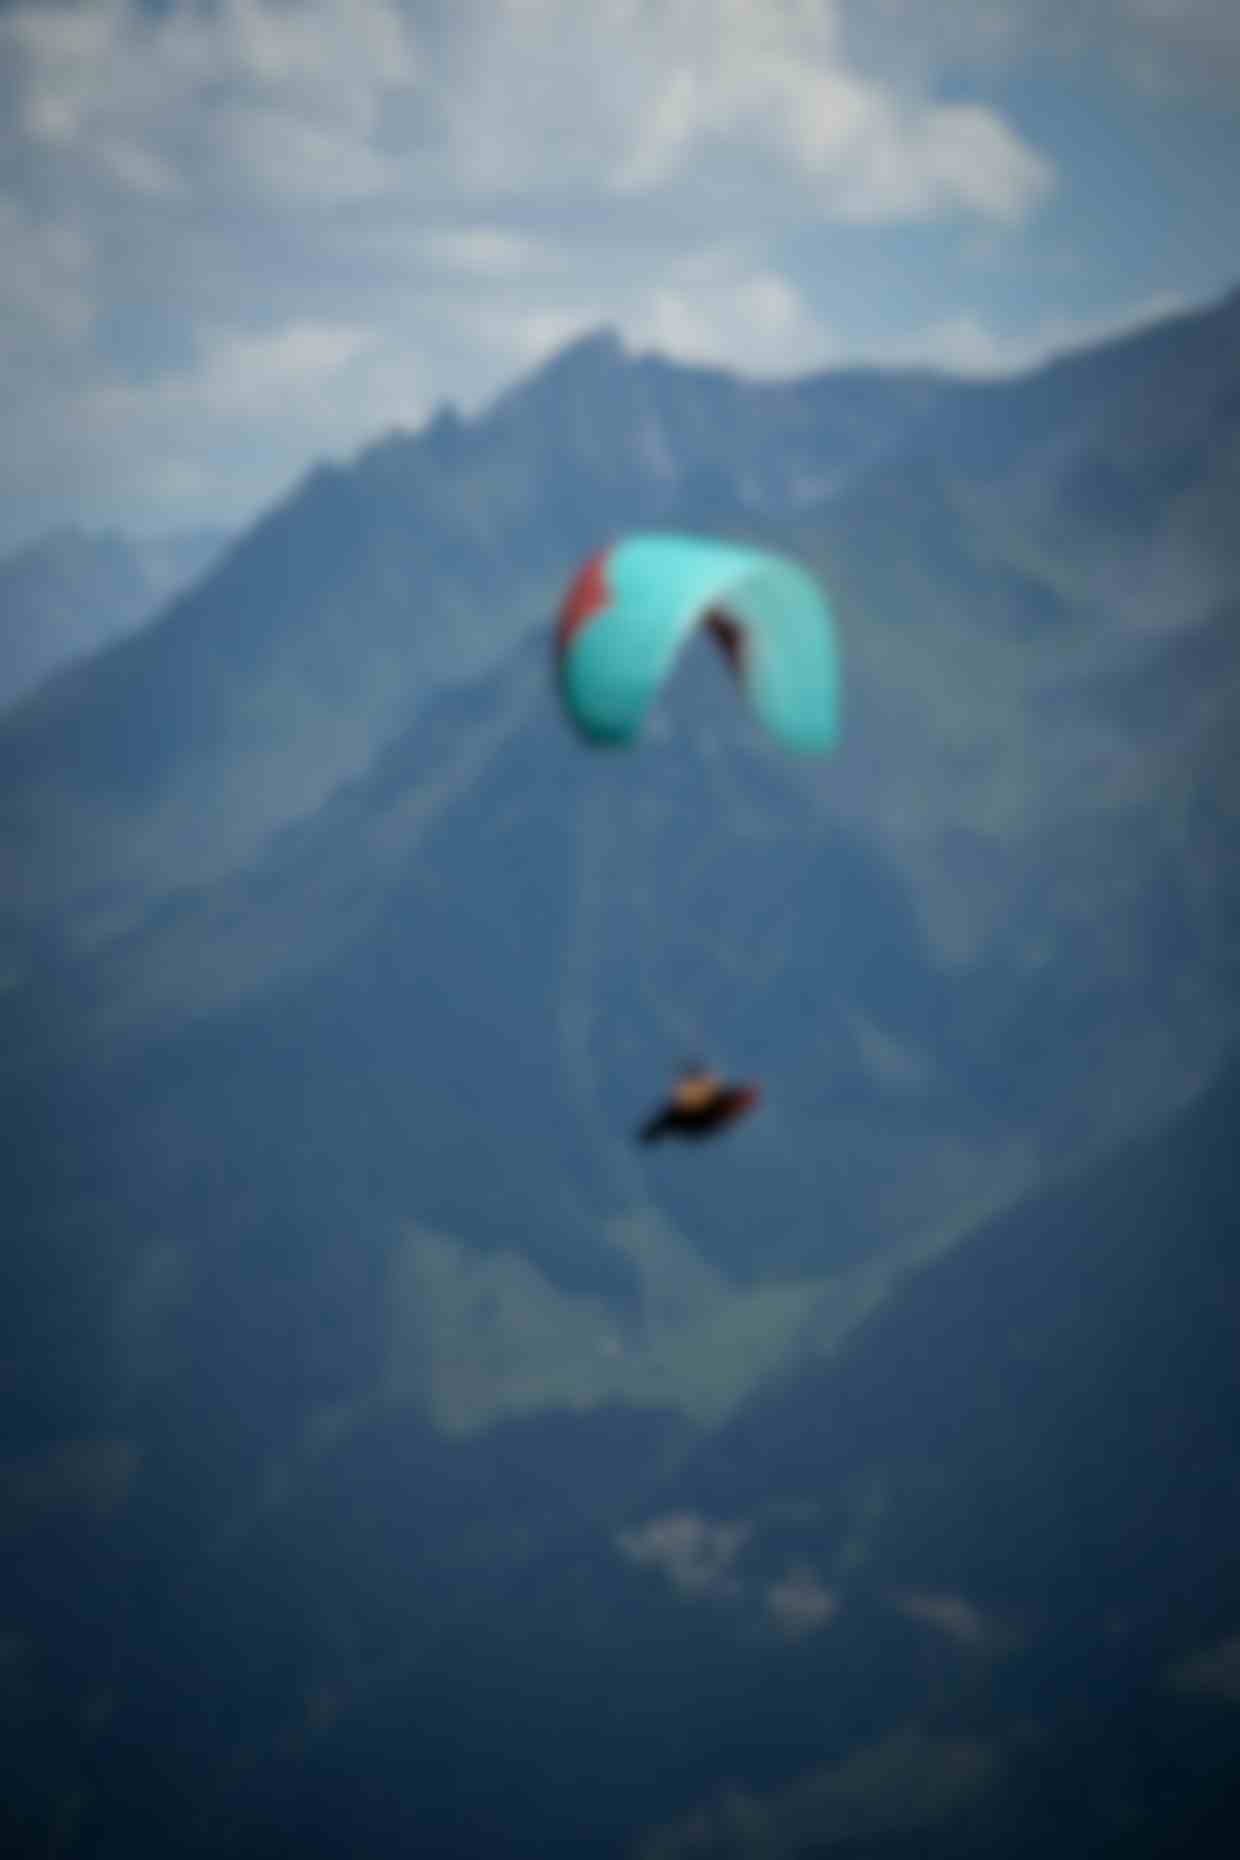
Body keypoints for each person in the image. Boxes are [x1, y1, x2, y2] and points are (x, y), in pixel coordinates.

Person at [637, 1065, 762, 1144]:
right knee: (670, 1118)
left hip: (696, 1119)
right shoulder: (726, 1099)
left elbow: (714, 1113)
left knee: (671, 1118)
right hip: (695, 1118)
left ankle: (650, 1134)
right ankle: (650, 1134)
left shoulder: (727, 1105)